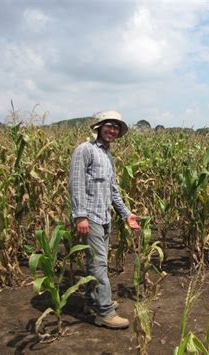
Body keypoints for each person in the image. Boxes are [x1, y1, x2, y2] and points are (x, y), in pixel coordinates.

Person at [68, 110, 140, 329]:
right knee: (99, 264)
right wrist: (80, 215)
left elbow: (113, 190)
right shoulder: (85, 150)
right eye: (109, 125)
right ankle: (105, 313)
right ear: (98, 127)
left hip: (104, 217)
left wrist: (126, 214)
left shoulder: (107, 156)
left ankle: (92, 302)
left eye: (116, 127)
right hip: (90, 217)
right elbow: (76, 183)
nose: (113, 130)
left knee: (97, 263)